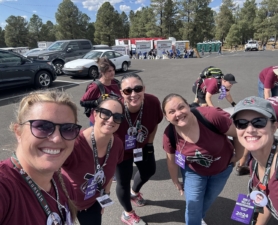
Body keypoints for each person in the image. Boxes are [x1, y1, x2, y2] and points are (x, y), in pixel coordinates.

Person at [162, 93, 244, 225]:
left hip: (221, 170)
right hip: (194, 171)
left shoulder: (211, 116)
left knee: (208, 199)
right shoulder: (169, 134)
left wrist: (238, 156)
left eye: (181, 107)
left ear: (188, 106)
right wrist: (175, 180)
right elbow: (171, 161)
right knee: (193, 205)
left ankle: (198, 218)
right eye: (171, 112)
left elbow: (238, 134)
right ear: (166, 117)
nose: (178, 114)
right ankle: (195, 220)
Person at [0, 90, 81, 224]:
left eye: (68, 128)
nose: (56, 139)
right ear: (18, 132)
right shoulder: (5, 187)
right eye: (42, 126)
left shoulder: (63, 183)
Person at [231, 96, 278, 225]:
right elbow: (264, 200)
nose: (250, 130)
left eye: (259, 122)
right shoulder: (254, 163)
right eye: (241, 123)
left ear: (274, 127)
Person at [62, 96, 124, 225]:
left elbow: (110, 173)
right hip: (65, 203)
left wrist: (105, 197)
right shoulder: (75, 143)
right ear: (95, 114)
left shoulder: (117, 144)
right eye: (106, 113)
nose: (111, 119)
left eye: (117, 117)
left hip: (91, 202)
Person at [115, 73, 163, 225]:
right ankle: (128, 213)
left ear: (144, 89)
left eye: (138, 89)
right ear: (121, 93)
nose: (133, 94)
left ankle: (134, 193)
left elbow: (155, 123)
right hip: (121, 151)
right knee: (123, 181)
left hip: (142, 145)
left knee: (149, 170)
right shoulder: (115, 107)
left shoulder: (153, 101)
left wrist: (149, 144)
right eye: (128, 91)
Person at [236, 96, 278, 175]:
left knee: (249, 137)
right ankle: (261, 167)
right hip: (262, 120)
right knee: (259, 140)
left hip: (257, 111)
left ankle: (241, 165)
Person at [81, 57, 121, 126]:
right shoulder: (96, 86)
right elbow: (82, 102)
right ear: (102, 72)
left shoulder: (116, 83)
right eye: (109, 71)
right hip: (98, 122)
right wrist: (96, 102)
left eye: (113, 70)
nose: (113, 73)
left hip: (113, 120)